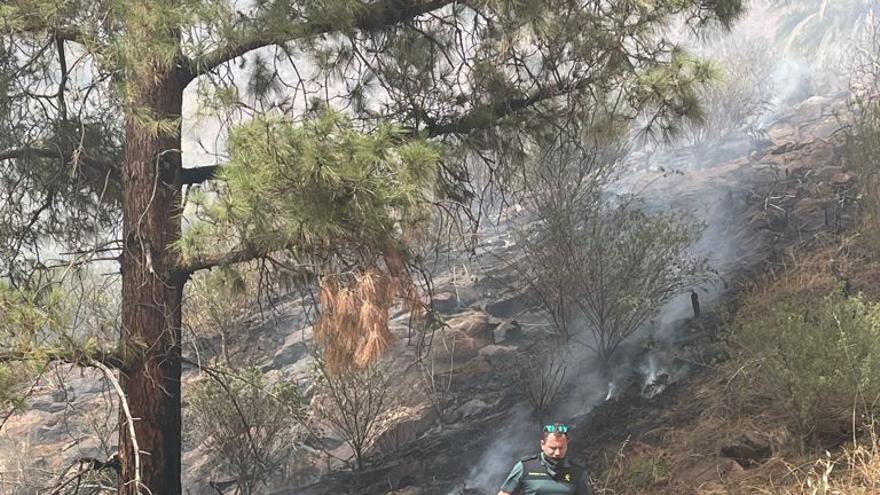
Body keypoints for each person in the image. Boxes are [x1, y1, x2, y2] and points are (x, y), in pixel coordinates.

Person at [497, 423, 592, 495]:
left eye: (561, 448)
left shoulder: (577, 471)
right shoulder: (525, 467)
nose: (557, 453)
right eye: (553, 448)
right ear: (542, 444)